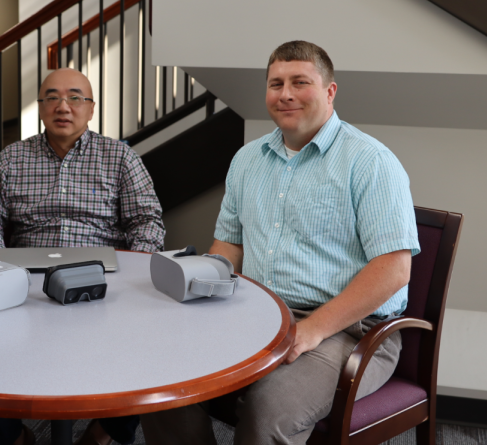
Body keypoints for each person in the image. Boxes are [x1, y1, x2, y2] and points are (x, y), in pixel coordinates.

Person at [141, 41, 420, 445]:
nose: (285, 94)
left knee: (268, 409)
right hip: (256, 315)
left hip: (349, 332)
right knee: (166, 382)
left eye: (299, 82)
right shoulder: (247, 160)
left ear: (329, 91)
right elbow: (228, 248)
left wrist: (311, 330)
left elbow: (394, 271)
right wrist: (199, 297)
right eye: (276, 84)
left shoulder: (370, 162)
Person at [0, 68, 165, 445]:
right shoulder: (12, 159)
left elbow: (147, 220)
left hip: (103, 277)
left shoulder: (120, 157)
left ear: (91, 109)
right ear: (40, 107)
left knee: (145, 345)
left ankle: (104, 431)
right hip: (24, 280)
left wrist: (133, 267)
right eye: (52, 97)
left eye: (75, 97)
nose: (63, 106)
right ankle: (12, 435)